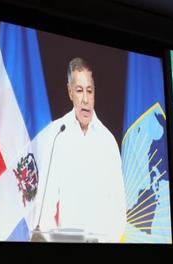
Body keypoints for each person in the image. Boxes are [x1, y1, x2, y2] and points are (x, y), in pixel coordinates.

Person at [33, 57, 126, 242]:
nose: (85, 99)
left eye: (89, 91)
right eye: (79, 90)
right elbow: (45, 206)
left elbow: (118, 209)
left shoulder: (107, 141)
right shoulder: (57, 133)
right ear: (70, 92)